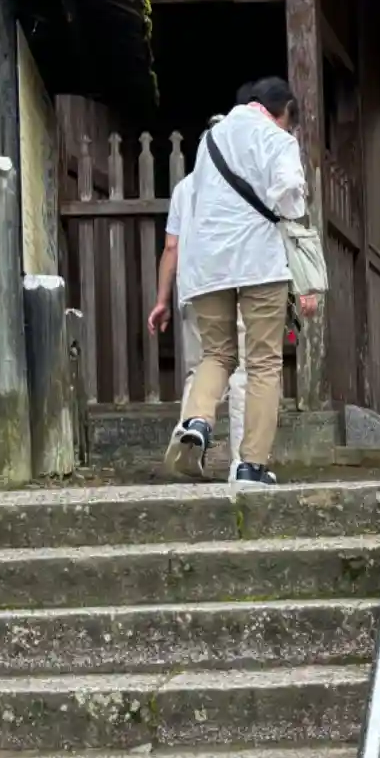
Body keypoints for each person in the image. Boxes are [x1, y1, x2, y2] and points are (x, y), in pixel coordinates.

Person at [164, 75, 309, 489]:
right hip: (258, 263)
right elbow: (290, 195)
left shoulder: (210, 140)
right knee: (263, 363)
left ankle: (197, 419)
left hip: (207, 265)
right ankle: (251, 467)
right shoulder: (278, 140)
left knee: (216, 354)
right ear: (283, 112)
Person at [148, 114, 248, 489]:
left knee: (200, 368)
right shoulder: (245, 184)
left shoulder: (185, 188)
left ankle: (186, 445)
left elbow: (171, 247)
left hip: (193, 289)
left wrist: (162, 299)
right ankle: (243, 460)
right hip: (236, 285)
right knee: (241, 373)